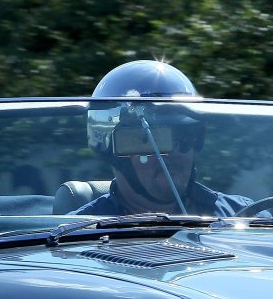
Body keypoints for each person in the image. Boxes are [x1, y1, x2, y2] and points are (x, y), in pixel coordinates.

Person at [72, 61, 252, 216]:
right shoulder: (74, 235)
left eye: (185, 139)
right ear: (112, 149)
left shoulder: (243, 215)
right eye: (153, 140)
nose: (173, 154)